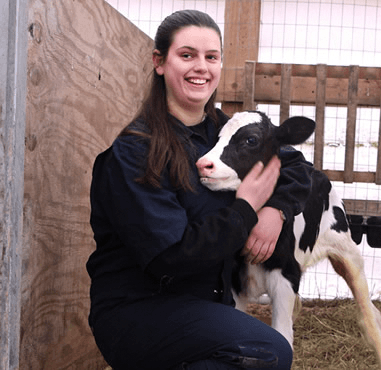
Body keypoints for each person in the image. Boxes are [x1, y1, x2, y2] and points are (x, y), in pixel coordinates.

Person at [86, 9, 313, 370]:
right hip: (140, 310)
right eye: (187, 55)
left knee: (258, 350)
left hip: (205, 305)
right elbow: (170, 256)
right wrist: (246, 209)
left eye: (212, 57)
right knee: (266, 350)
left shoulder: (223, 132)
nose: (201, 68)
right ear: (159, 62)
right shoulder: (134, 152)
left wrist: (277, 210)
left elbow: (297, 165)